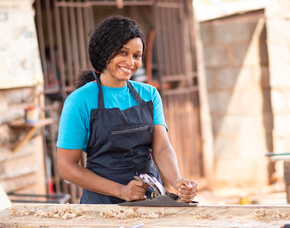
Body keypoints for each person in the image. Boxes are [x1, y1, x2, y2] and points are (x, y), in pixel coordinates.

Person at [56, 15, 198, 204]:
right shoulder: (79, 101)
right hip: (102, 209)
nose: (131, 62)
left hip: (150, 203)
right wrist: (122, 191)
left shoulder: (149, 94)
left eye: (136, 55)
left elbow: (162, 147)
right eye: (123, 53)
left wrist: (178, 182)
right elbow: (67, 167)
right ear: (104, 52)